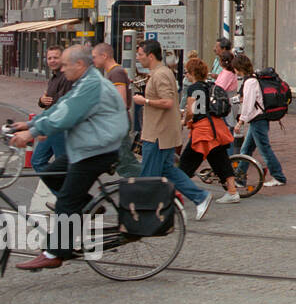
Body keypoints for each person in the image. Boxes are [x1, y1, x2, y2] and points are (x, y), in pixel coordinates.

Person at [10, 44, 131, 270]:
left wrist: (31, 133)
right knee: (50, 172)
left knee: (66, 199)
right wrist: (29, 123)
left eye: (65, 64)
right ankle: (88, 206)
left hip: (97, 150)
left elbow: (66, 116)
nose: (62, 69)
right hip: (85, 147)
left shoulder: (92, 86)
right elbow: (60, 106)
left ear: (79, 64)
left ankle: (54, 252)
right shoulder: (83, 82)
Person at [133, 38, 216, 220]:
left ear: (150, 55)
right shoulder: (162, 72)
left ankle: (146, 213)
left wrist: (144, 101)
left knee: (149, 176)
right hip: (162, 133)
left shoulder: (160, 74)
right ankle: (200, 197)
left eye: (140, 54)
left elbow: (168, 101)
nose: (137, 58)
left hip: (158, 135)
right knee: (167, 171)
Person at [177, 57, 240, 205]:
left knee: (187, 162)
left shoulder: (194, 88)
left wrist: (184, 120)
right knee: (220, 160)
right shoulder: (209, 85)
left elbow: (193, 111)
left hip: (203, 131)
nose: (186, 74)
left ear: (192, 72)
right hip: (216, 127)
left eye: (187, 71)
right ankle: (232, 191)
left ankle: (176, 192)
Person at [232, 53, 286, 187]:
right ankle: (240, 178)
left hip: (258, 120)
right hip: (258, 119)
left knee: (264, 149)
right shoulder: (253, 79)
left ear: (238, 68)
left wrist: (240, 121)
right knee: (246, 150)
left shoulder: (250, 82)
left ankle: (278, 176)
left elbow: (248, 104)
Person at [91, 41, 139, 177]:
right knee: (121, 159)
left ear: (104, 55)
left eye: (94, 56)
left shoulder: (116, 73)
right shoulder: (114, 72)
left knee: (125, 161)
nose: (92, 60)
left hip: (118, 121)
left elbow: (121, 102)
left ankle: (149, 186)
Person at [32, 46, 71, 179]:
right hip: (50, 125)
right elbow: (47, 101)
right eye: (49, 58)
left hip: (59, 127)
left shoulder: (66, 77)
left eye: (56, 57)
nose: (52, 60)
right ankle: (62, 194)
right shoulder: (54, 77)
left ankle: (67, 196)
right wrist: (42, 100)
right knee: (37, 161)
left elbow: (61, 105)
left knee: (62, 166)